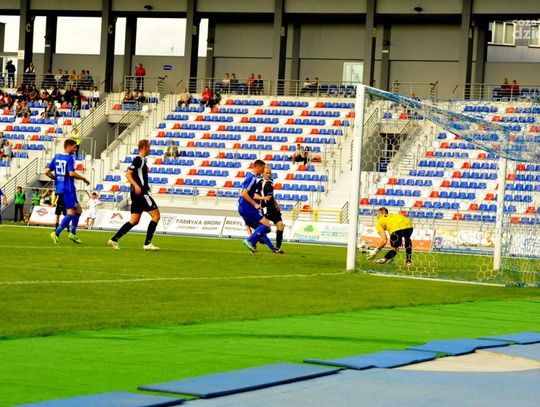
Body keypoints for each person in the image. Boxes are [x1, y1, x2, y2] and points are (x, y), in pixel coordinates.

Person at [108, 139, 160, 251]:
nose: (150, 149)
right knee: (156, 216)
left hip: (136, 195)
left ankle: (114, 239)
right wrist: (136, 185)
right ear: (144, 147)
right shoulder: (139, 159)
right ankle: (147, 244)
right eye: (149, 147)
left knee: (134, 221)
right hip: (141, 194)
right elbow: (128, 174)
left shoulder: (142, 161)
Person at [45, 139, 91, 244]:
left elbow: (46, 171)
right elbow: (71, 173)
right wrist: (84, 178)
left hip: (61, 188)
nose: (75, 149)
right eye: (74, 147)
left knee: (78, 210)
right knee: (71, 213)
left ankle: (73, 233)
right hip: (69, 189)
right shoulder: (70, 158)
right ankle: (56, 233)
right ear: (69, 146)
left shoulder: (57, 157)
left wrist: (56, 179)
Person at [238, 159, 280, 254]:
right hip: (247, 207)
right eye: (263, 168)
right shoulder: (252, 178)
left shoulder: (250, 177)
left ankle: (254, 243)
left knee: (264, 227)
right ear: (258, 167)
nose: (263, 170)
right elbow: (244, 194)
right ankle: (250, 241)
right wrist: (255, 204)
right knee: (266, 225)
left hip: (244, 207)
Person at [255, 165, 285, 253]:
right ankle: (257, 239)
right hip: (265, 208)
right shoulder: (260, 183)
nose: (268, 175)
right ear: (263, 173)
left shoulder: (271, 181)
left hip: (273, 208)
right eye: (267, 173)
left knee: (280, 226)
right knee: (267, 229)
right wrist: (264, 198)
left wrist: (276, 204)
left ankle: (278, 248)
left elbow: (271, 196)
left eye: (269, 173)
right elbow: (255, 196)